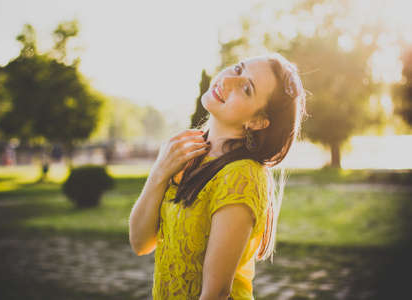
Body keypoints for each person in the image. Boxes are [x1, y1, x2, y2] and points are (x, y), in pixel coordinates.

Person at [129, 53, 308, 300]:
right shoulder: (188, 153)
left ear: (257, 121)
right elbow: (141, 243)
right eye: (237, 68)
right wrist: (159, 172)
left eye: (246, 89)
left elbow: (215, 294)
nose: (227, 82)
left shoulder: (242, 175)